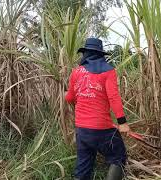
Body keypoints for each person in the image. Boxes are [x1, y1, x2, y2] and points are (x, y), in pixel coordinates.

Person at [65, 37, 130, 180]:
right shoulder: (108, 71)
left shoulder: (76, 72)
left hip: (82, 129)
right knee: (118, 156)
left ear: (85, 53)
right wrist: (122, 123)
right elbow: (113, 98)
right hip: (102, 128)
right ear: (101, 54)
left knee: (83, 165)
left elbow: (69, 98)